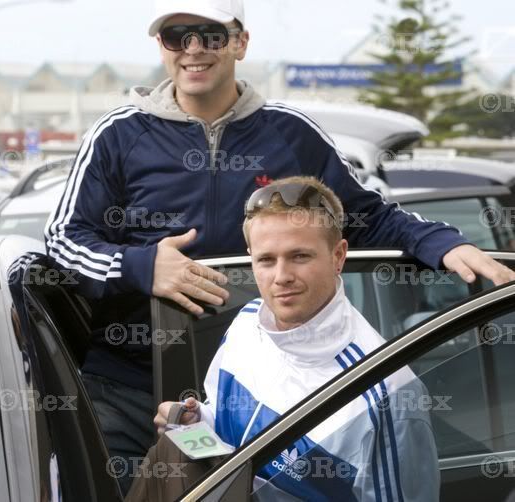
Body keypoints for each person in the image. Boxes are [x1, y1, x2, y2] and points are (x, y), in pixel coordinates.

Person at [43, 0, 513, 493]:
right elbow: (62, 242)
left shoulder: (290, 133)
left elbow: (366, 216)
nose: (194, 49)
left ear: (241, 43)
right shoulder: (117, 134)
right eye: (177, 36)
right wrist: (142, 266)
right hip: (126, 390)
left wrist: (441, 243)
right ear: (161, 47)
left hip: (250, 386)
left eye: (211, 35)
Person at [153, 176, 439, 501]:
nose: (281, 277)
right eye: (266, 260)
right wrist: (193, 424)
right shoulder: (247, 322)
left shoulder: (387, 393)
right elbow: (222, 434)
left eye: (299, 256)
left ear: (338, 256)